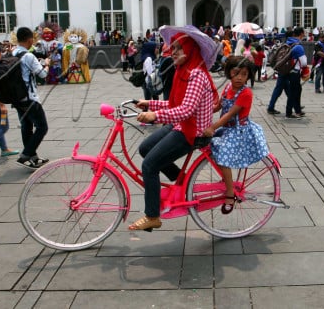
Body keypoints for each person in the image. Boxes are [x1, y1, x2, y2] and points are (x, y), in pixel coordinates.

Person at [129, 27, 219, 232]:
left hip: (193, 131)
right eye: (173, 47)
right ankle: (183, 182)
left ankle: (152, 216)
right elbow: (173, 104)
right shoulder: (184, 71)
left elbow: (186, 110)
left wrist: (155, 116)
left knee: (150, 166)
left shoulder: (196, 74)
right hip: (181, 124)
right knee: (144, 149)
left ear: (190, 49)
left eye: (179, 48)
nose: (173, 51)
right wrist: (149, 104)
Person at [203, 56, 269, 213]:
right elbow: (218, 106)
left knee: (223, 155)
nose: (240, 77)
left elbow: (230, 114)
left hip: (238, 131)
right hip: (226, 128)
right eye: (236, 73)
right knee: (208, 146)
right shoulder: (227, 88)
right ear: (229, 73)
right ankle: (227, 179)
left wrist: (212, 127)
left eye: (244, 74)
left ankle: (230, 193)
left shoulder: (246, 93)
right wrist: (201, 111)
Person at [12, 27, 51, 170]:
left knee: (26, 126)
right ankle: (26, 155)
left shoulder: (12, 53)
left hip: (17, 98)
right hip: (30, 98)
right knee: (42, 127)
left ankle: (33, 158)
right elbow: (42, 75)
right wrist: (46, 64)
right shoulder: (28, 56)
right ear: (29, 40)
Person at [284, 27, 308, 119]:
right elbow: (304, 62)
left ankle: (298, 111)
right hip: (295, 71)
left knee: (296, 90)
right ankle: (289, 113)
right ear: (301, 33)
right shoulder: (298, 46)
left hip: (288, 70)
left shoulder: (289, 43)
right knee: (294, 92)